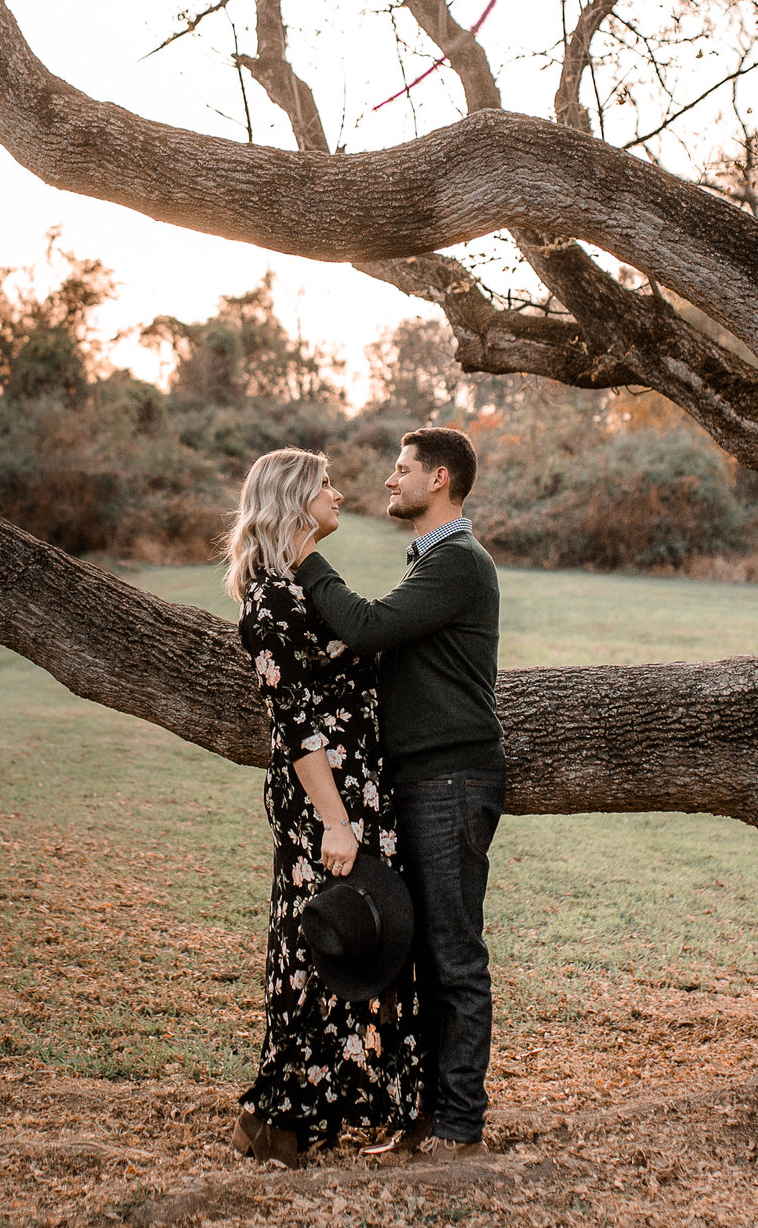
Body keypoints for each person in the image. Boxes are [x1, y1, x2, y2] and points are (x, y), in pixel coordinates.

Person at [293, 427, 500, 1159]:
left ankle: (459, 1126)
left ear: (439, 478)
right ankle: (428, 1118)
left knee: (453, 954)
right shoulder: (433, 562)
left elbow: (370, 625)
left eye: (402, 468)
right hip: (422, 781)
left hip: (452, 781)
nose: (390, 479)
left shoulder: (458, 563)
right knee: (422, 952)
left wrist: (306, 559)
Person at [226, 447, 422, 1165]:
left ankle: (346, 1107)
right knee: (319, 949)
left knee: (367, 947)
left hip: (362, 793)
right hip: (324, 803)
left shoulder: (306, 587)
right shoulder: (270, 599)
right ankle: (279, 1118)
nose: (340, 493)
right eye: (326, 485)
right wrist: (335, 820)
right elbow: (295, 722)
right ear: (292, 499)